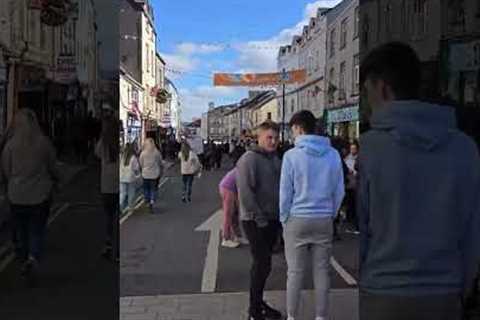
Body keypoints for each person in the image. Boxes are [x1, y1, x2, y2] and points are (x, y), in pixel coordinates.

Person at [357, 42, 480, 320]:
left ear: (382, 88)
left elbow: (362, 228)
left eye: (366, 92)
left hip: (382, 291)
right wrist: (465, 286)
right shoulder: (464, 148)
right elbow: (473, 229)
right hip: (444, 293)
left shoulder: (370, 148)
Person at [280, 111, 345, 320]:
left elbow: (285, 192)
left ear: (299, 128)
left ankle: (292, 316)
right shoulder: (333, 154)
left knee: (295, 272)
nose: (292, 135)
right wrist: (331, 213)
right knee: (322, 271)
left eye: (292, 130)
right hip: (324, 218)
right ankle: (321, 317)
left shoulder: (291, 156)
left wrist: (284, 218)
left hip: (297, 218)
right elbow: (339, 190)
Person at [0, 108, 60, 284]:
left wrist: (9, 184)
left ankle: (25, 256)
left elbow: (5, 169)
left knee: (21, 230)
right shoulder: (43, 143)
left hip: (16, 195)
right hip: (40, 195)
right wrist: (57, 181)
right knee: (37, 229)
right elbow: (53, 166)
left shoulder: (10, 145)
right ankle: (33, 258)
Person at [237, 121, 283, 320]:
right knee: (261, 263)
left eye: (275, 137)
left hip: (273, 218)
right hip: (255, 220)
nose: (273, 141)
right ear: (259, 137)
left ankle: (258, 304)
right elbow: (246, 194)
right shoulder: (249, 159)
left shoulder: (275, 159)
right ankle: (254, 311)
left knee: (265, 265)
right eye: (269, 137)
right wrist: (260, 218)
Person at [95, 113, 120, 262]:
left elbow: (96, 154)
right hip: (118, 183)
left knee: (109, 218)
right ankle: (118, 252)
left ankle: (108, 245)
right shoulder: (120, 142)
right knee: (118, 218)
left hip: (107, 186)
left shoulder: (103, 143)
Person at [218, 167, 247, 248]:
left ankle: (237, 236)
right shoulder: (246, 169)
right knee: (228, 214)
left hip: (230, 187)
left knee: (235, 213)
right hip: (228, 188)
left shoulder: (244, 165)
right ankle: (225, 239)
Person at [139, 138, 163, 213]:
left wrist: (143, 168)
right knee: (153, 189)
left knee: (146, 189)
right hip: (155, 174)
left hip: (145, 174)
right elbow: (160, 162)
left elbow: (141, 163)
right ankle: (152, 201)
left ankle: (147, 200)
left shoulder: (143, 153)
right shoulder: (156, 152)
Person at [120, 143, 141, 212]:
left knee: (122, 193)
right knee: (131, 193)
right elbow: (136, 168)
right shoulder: (133, 158)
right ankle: (130, 206)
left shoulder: (122, 157)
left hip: (122, 178)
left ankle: (120, 206)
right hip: (130, 178)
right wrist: (138, 174)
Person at [344, 141, 359, 234]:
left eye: (354, 148)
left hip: (356, 184)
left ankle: (354, 220)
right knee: (349, 203)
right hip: (349, 184)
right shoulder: (347, 158)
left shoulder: (359, 158)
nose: (352, 150)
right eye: (351, 148)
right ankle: (349, 218)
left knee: (355, 203)